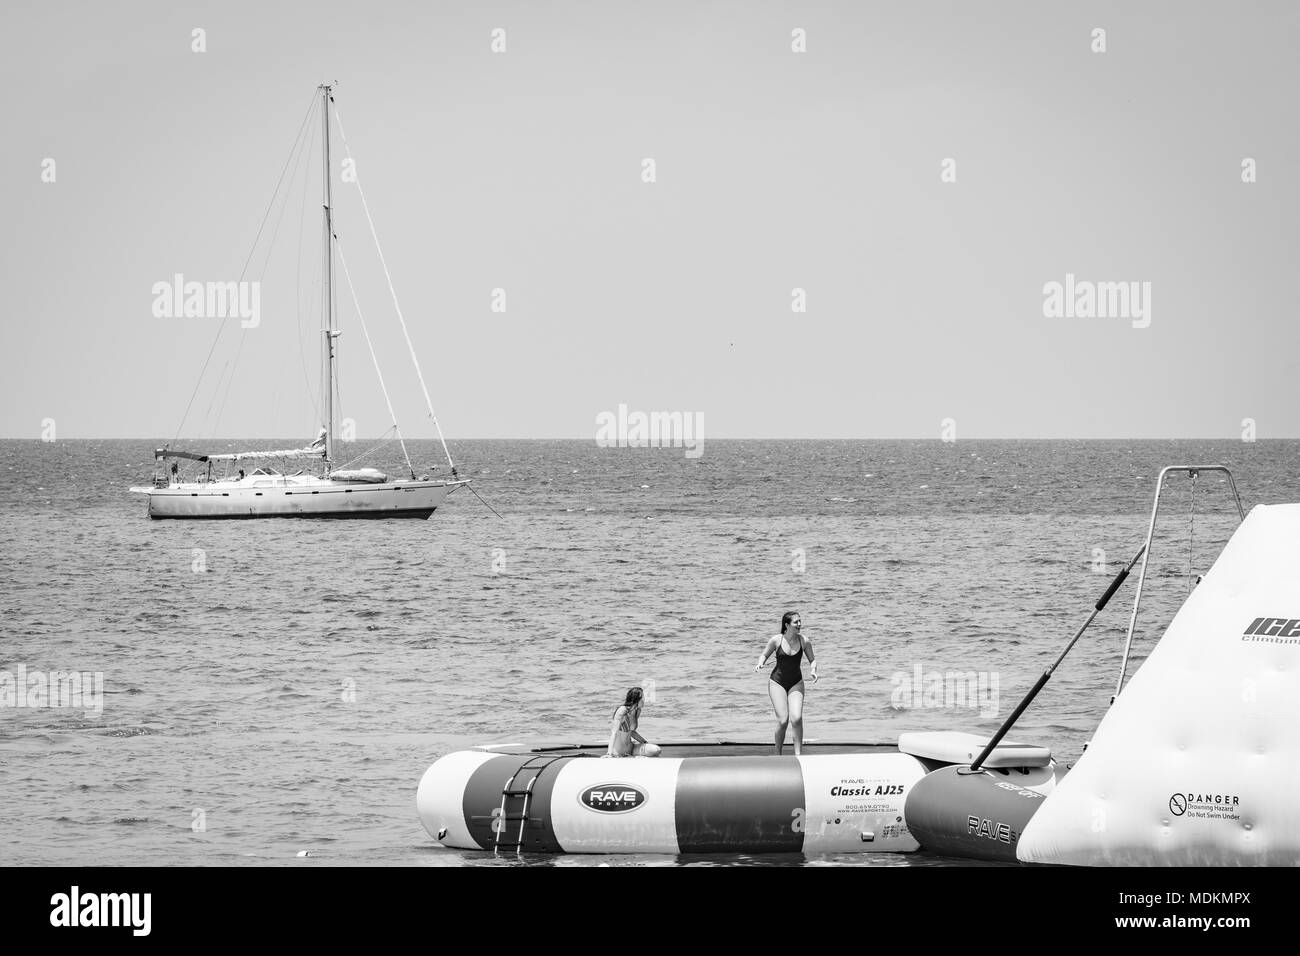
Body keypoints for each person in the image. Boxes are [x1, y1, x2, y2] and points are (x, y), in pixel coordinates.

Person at [755, 611, 818, 755]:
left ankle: (799, 755)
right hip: (777, 683)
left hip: (796, 682)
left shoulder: (804, 641)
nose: (799, 624)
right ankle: (778, 754)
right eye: (796, 622)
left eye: (800, 621)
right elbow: (764, 655)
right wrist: (760, 663)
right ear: (787, 625)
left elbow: (812, 660)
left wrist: (813, 670)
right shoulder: (776, 640)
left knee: (797, 718)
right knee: (783, 720)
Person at [605, 687, 661, 757]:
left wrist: (644, 742)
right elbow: (614, 733)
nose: (644, 700)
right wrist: (609, 753)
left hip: (631, 748)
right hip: (619, 751)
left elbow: (631, 732)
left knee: (656, 749)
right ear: (636, 699)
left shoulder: (637, 711)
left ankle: (635, 756)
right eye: (642, 698)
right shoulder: (622, 710)